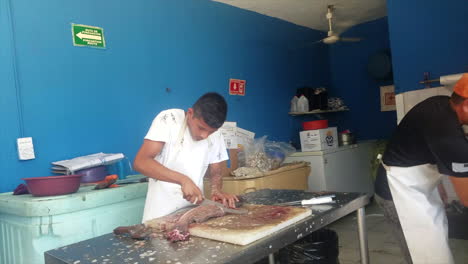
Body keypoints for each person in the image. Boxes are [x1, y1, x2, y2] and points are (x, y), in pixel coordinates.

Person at [374, 73, 468, 264]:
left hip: (416, 187)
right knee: (423, 256)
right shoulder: (447, 133)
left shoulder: (441, 103)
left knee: (434, 249)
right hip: (397, 193)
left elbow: (425, 147)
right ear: (466, 105)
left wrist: (437, 183)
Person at [134, 92, 239, 222]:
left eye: (211, 132)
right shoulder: (169, 119)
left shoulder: (215, 135)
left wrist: (216, 189)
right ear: (190, 113)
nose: (205, 135)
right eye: (201, 128)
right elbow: (141, 162)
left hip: (192, 214)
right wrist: (183, 180)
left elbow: (215, 170)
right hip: (160, 214)